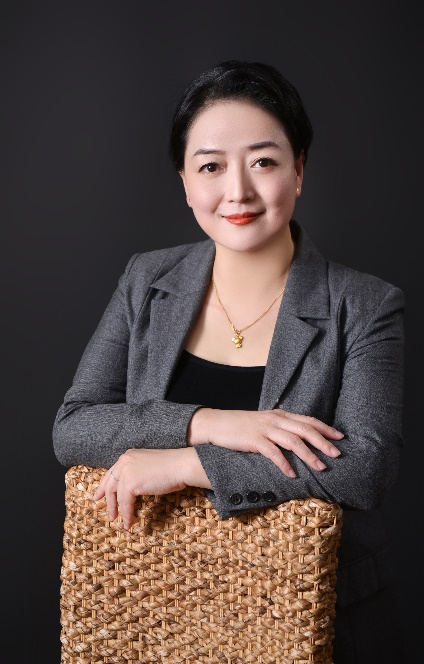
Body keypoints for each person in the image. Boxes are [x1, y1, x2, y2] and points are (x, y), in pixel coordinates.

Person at [53, 60, 405, 662]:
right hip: (157, 613)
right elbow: (73, 427)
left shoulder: (366, 304)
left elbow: (365, 468)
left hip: (315, 618)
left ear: (299, 170)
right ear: (185, 183)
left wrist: (189, 463)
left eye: (263, 162)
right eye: (211, 166)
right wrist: (212, 423)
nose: (237, 191)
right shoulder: (147, 278)